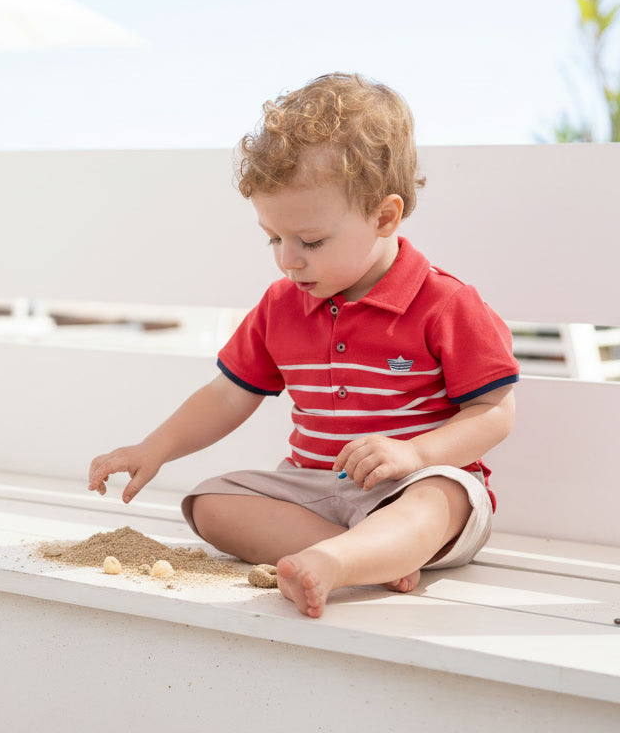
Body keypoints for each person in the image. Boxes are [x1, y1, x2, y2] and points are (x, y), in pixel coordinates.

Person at [87, 72, 518, 618]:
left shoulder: (444, 302)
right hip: (312, 487)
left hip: (412, 483)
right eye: (274, 237)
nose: (287, 259)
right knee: (210, 504)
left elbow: (494, 413)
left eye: (310, 241)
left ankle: (354, 556)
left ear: (384, 217)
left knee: (440, 500)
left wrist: (416, 454)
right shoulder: (281, 305)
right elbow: (226, 397)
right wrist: (153, 449)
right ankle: (365, 556)